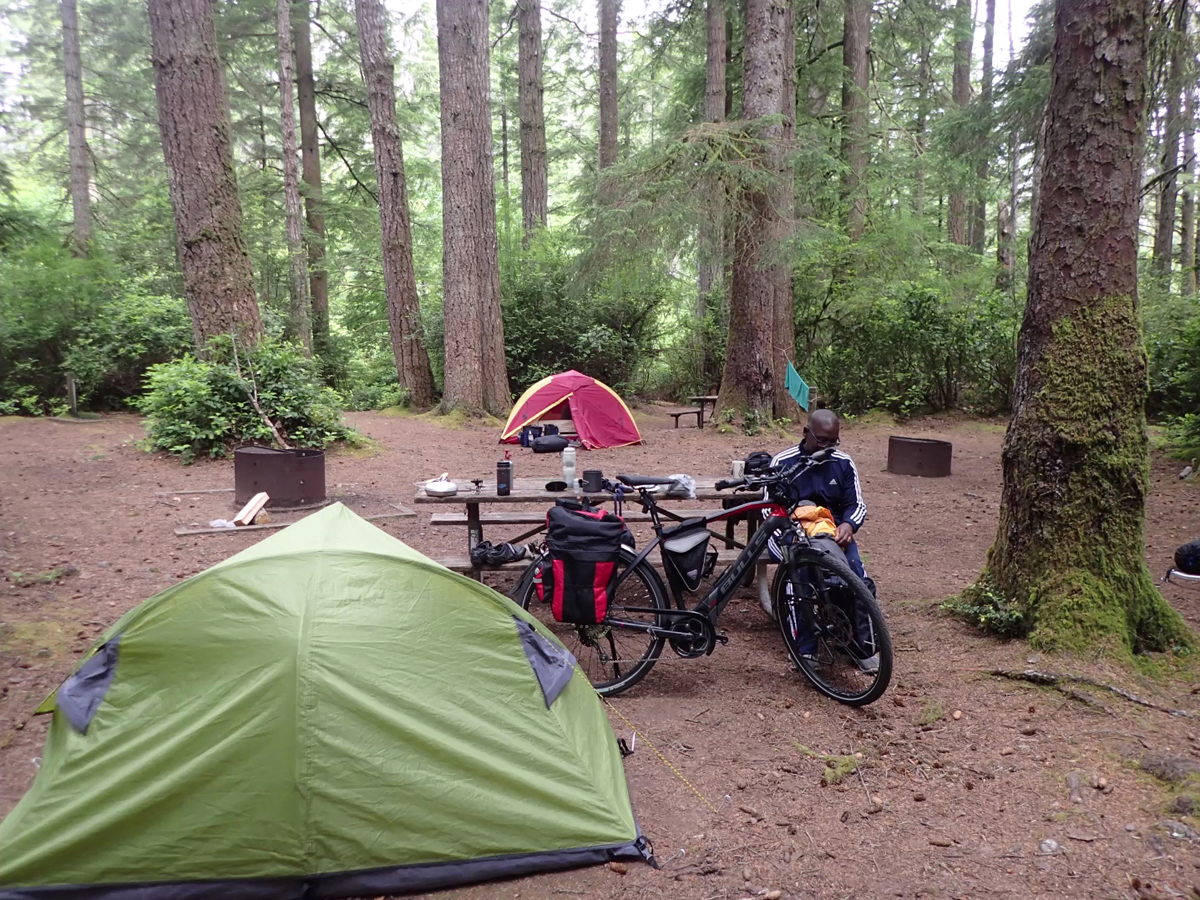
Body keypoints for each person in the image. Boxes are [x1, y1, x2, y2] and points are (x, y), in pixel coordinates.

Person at [764, 408, 879, 673]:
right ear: (806, 433)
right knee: (799, 577)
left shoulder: (843, 463)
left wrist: (849, 525)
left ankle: (861, 645)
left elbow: (856, 504)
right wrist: (788, 536)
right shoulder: (783, 461)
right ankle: (804, 648)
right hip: (789, 532)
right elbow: (767, 509)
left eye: (833, 441)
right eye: (821, 440)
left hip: (832, 533)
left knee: (857, 579)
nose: (827, 447)